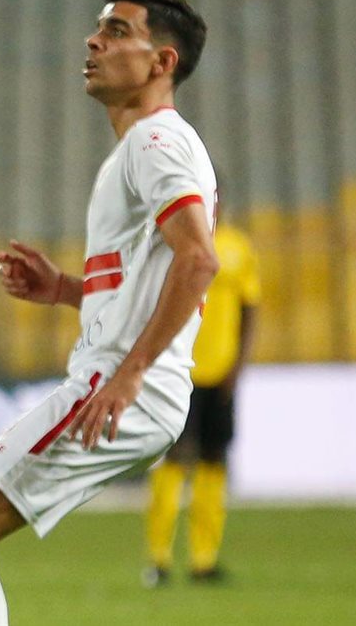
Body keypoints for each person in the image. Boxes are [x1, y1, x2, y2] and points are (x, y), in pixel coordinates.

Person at [0, 0, 219, 625]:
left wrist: (130, 374)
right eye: (98, 28)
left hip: (123, 387)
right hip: (124, 383)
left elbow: (199, 260)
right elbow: (153, 276)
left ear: (162, 61)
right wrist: (64, 289)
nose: (94, 41)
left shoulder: (156, 142)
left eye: (117, 31)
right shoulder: (143, 147)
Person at [143, 218, 260, 585]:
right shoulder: (172, 244)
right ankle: (158, 558)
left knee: (213, 461)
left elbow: (250, 308)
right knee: (175, 460)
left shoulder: (237, 247)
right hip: (180, 373)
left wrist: (238, 366)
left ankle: (203, 559)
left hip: (221, 375)